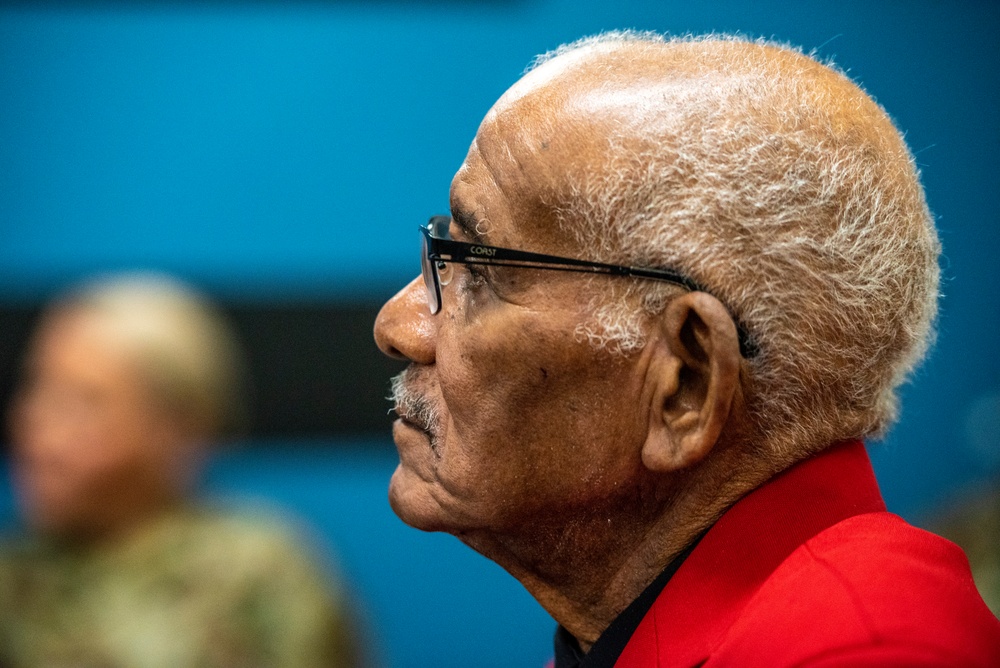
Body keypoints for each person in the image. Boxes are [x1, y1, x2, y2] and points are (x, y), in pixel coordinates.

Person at [373, 32, 1000, 667]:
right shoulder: (631, 633)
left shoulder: (862, 651)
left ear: (685, 384)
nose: (397, 326)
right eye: (442, 252)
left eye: (476, 269)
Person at [0, 273, 362, 667]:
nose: (40, 431)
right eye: (37, 388)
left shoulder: (257, 574)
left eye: (85, 404)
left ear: (179, 426)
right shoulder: (13, 580)